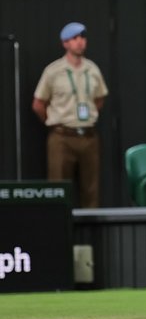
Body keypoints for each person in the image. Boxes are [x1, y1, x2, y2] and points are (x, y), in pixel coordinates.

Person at [32, 22, 108, 208]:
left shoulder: (93, 70)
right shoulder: (53, 71)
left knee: (91, 190)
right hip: (62, 137)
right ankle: (58, 234)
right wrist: (54, 122)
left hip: (88, 137)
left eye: (83, 37)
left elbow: (99, 99)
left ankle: (90, 236)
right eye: (74, 38)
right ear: (65, 43)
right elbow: (38, 104)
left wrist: (88, 117)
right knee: (58, 190)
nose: (80, 42)